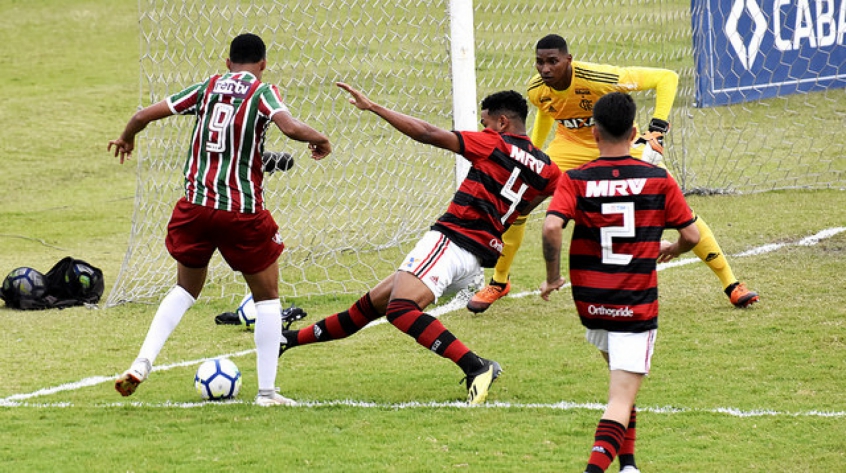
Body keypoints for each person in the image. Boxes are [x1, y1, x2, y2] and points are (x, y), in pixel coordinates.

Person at [277, 83, 561, 404]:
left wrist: (374, 107)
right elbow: (534, 205)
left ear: (502, 122)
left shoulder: (492, 144)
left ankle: (476, 366)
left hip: (452, 241)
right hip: (475, 259)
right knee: (368, 307)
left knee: (400, 310)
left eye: (485, 122)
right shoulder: (549, 169)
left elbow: (426, 132)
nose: (483, 127)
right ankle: (285, 341)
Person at [108, 33, 332, 407]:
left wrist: (127, 137)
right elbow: (291, 129)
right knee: (267, 298)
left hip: (193, 208)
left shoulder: (207, 87)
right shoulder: (263, 92)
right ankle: (266, 392)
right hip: (241, 212)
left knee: (184, 289)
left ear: (227, 62)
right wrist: (320, 138)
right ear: (262, 64)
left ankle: (142, 363)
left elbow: (142, 115)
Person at [468, 33, 758, 313]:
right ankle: (499, 282)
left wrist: (657, 128)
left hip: (616, 142)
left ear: (569, 59)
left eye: (552, 61)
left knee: (675, 205)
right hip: (569, 149)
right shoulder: (536, 89)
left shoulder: (599, 77)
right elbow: (547, 109)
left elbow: (666, 78)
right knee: (519, 204)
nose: (545, 68)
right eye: (540, 62)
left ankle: (731, 283)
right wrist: (534, 151)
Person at [540, 92, 700, 473]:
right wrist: (672, 249)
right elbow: (692, 236)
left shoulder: (575, 180)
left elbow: (550, 227)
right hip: (634, 303)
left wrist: (552, 277)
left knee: (622, 387)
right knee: (620, 397)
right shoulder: (658, 179)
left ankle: (628, 465)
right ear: (633, 133)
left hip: (592, 302)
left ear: (594, 133)